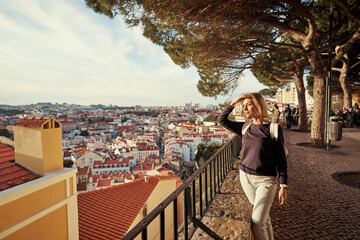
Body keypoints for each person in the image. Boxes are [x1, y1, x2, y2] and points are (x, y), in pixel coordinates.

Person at [217, 93, 288, 240]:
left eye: (249, 104)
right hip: (245, 177)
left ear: (258, 105)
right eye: (243, 106)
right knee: (264, 217)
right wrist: (233, 103)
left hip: (266, 181)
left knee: (257, 223)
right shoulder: (245, 127)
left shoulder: (273, 129)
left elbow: (281, 159)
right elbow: (221, 120)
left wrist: (283, 185)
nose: (245, 108)